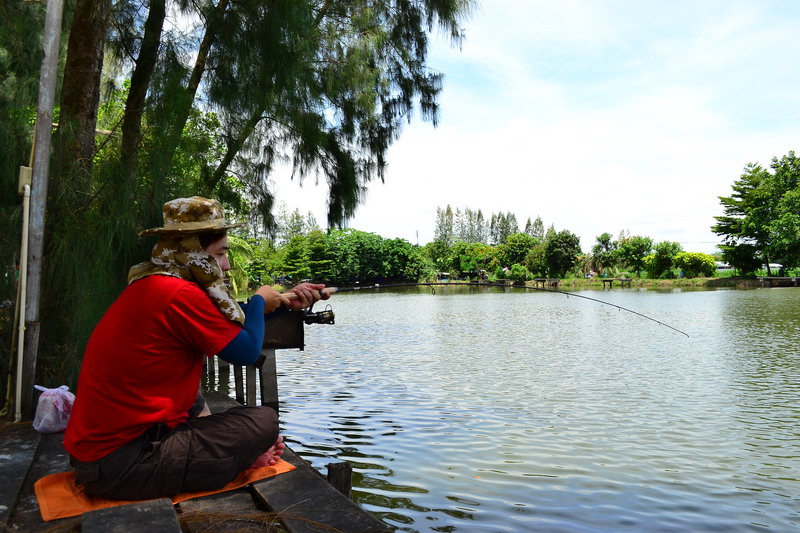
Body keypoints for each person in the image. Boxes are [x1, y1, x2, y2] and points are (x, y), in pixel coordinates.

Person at [64, 196, 328, 500]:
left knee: (196, 401)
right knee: (263, 421)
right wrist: (258, 301)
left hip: (99, 456)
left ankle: (226, 459)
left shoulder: (155, 284)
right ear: (192, 253)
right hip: (117, 465)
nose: (226, 265)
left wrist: (282, 302)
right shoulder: (179, 293)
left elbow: (229, 324)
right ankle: (236, 462)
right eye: (220, 253)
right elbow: (245, 352)